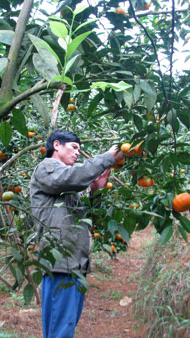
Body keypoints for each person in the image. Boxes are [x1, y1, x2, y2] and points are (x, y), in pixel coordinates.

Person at [29, 130, 123, 338]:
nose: (78, 153)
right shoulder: (47, 169)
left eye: (79, 149)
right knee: (59, 330)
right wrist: (107, 158)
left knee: (66, 326)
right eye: (73, 147)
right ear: (56, 145)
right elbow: (67, 179)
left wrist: (96, 191)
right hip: (60, 263)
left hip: (75, 264)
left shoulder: (69, 185)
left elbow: (85, 218)